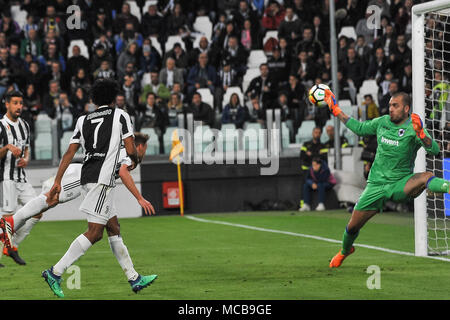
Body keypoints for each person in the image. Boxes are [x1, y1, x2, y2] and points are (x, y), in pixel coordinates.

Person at [38, 79, 157, 297]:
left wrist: (58, 180)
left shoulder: (83, 119)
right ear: (113, 98)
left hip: (88, 175)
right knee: (95, 233)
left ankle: (134, 278)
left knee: (113, 228)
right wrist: (135, 160)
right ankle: (55, 272)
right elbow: (130, 148)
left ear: (93, 100)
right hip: (102, 180)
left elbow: (69, 152)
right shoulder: (120, 115)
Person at [324, 88, 450, 268]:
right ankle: (345, 251)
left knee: (426, 176)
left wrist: (422, 135)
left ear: (406, 109)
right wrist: (337, 111)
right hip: (375, 186)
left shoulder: (414, 126)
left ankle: (447, 186)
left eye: (395, 105)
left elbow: (435, 150)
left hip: (400, 184)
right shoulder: (382, 122)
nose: (390, 109)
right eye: (390, 105)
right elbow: (359, 129)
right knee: (352, 227)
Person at [0, 133, 154, 266]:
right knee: (50, 199)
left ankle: (133, 276)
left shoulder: (119, 149)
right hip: (83, 176)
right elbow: (122, 172)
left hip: (88, 177)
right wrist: (139, 198)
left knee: (110, 227)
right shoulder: (129, 156)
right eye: (145, 148)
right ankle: (10, 223)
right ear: (139, 146)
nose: (145, 152)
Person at [0, 91, 34, 266]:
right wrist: (6, 148)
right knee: (7, 218)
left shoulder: (25, 125)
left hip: (22, 178)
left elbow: (26, 149)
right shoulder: (0, 126)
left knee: (38, 210)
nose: (19, 106)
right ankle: (6, 249)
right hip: (6, 179)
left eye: (21, 103)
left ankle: (12, 246)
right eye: (15, 103)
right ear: (7, 104)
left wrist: (25, 159)